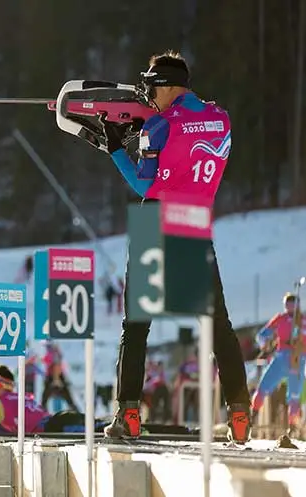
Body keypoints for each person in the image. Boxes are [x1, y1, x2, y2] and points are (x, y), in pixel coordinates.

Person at [98, 51, 251, 443]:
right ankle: (239, 414)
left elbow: (144, 184)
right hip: (195, 222)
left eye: (152, 87)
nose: (150, 96)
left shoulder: (161, 126)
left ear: (166, 85)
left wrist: (116, 145)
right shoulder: (221, 118)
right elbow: (189, 146)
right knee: (219, 327)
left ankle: (128, 414)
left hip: (159, 220)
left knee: (136, 327)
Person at [251, 292, 306, 430]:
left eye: (293, 303)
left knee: (294, 396)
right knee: (263, 387)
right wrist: (265, 344)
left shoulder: (303, 320)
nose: (291, 306)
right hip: (283, 358)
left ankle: (292, 429)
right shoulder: (280, 319)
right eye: (288, 303)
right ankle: (252, 418)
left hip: (297, 360)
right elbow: (262, 336)